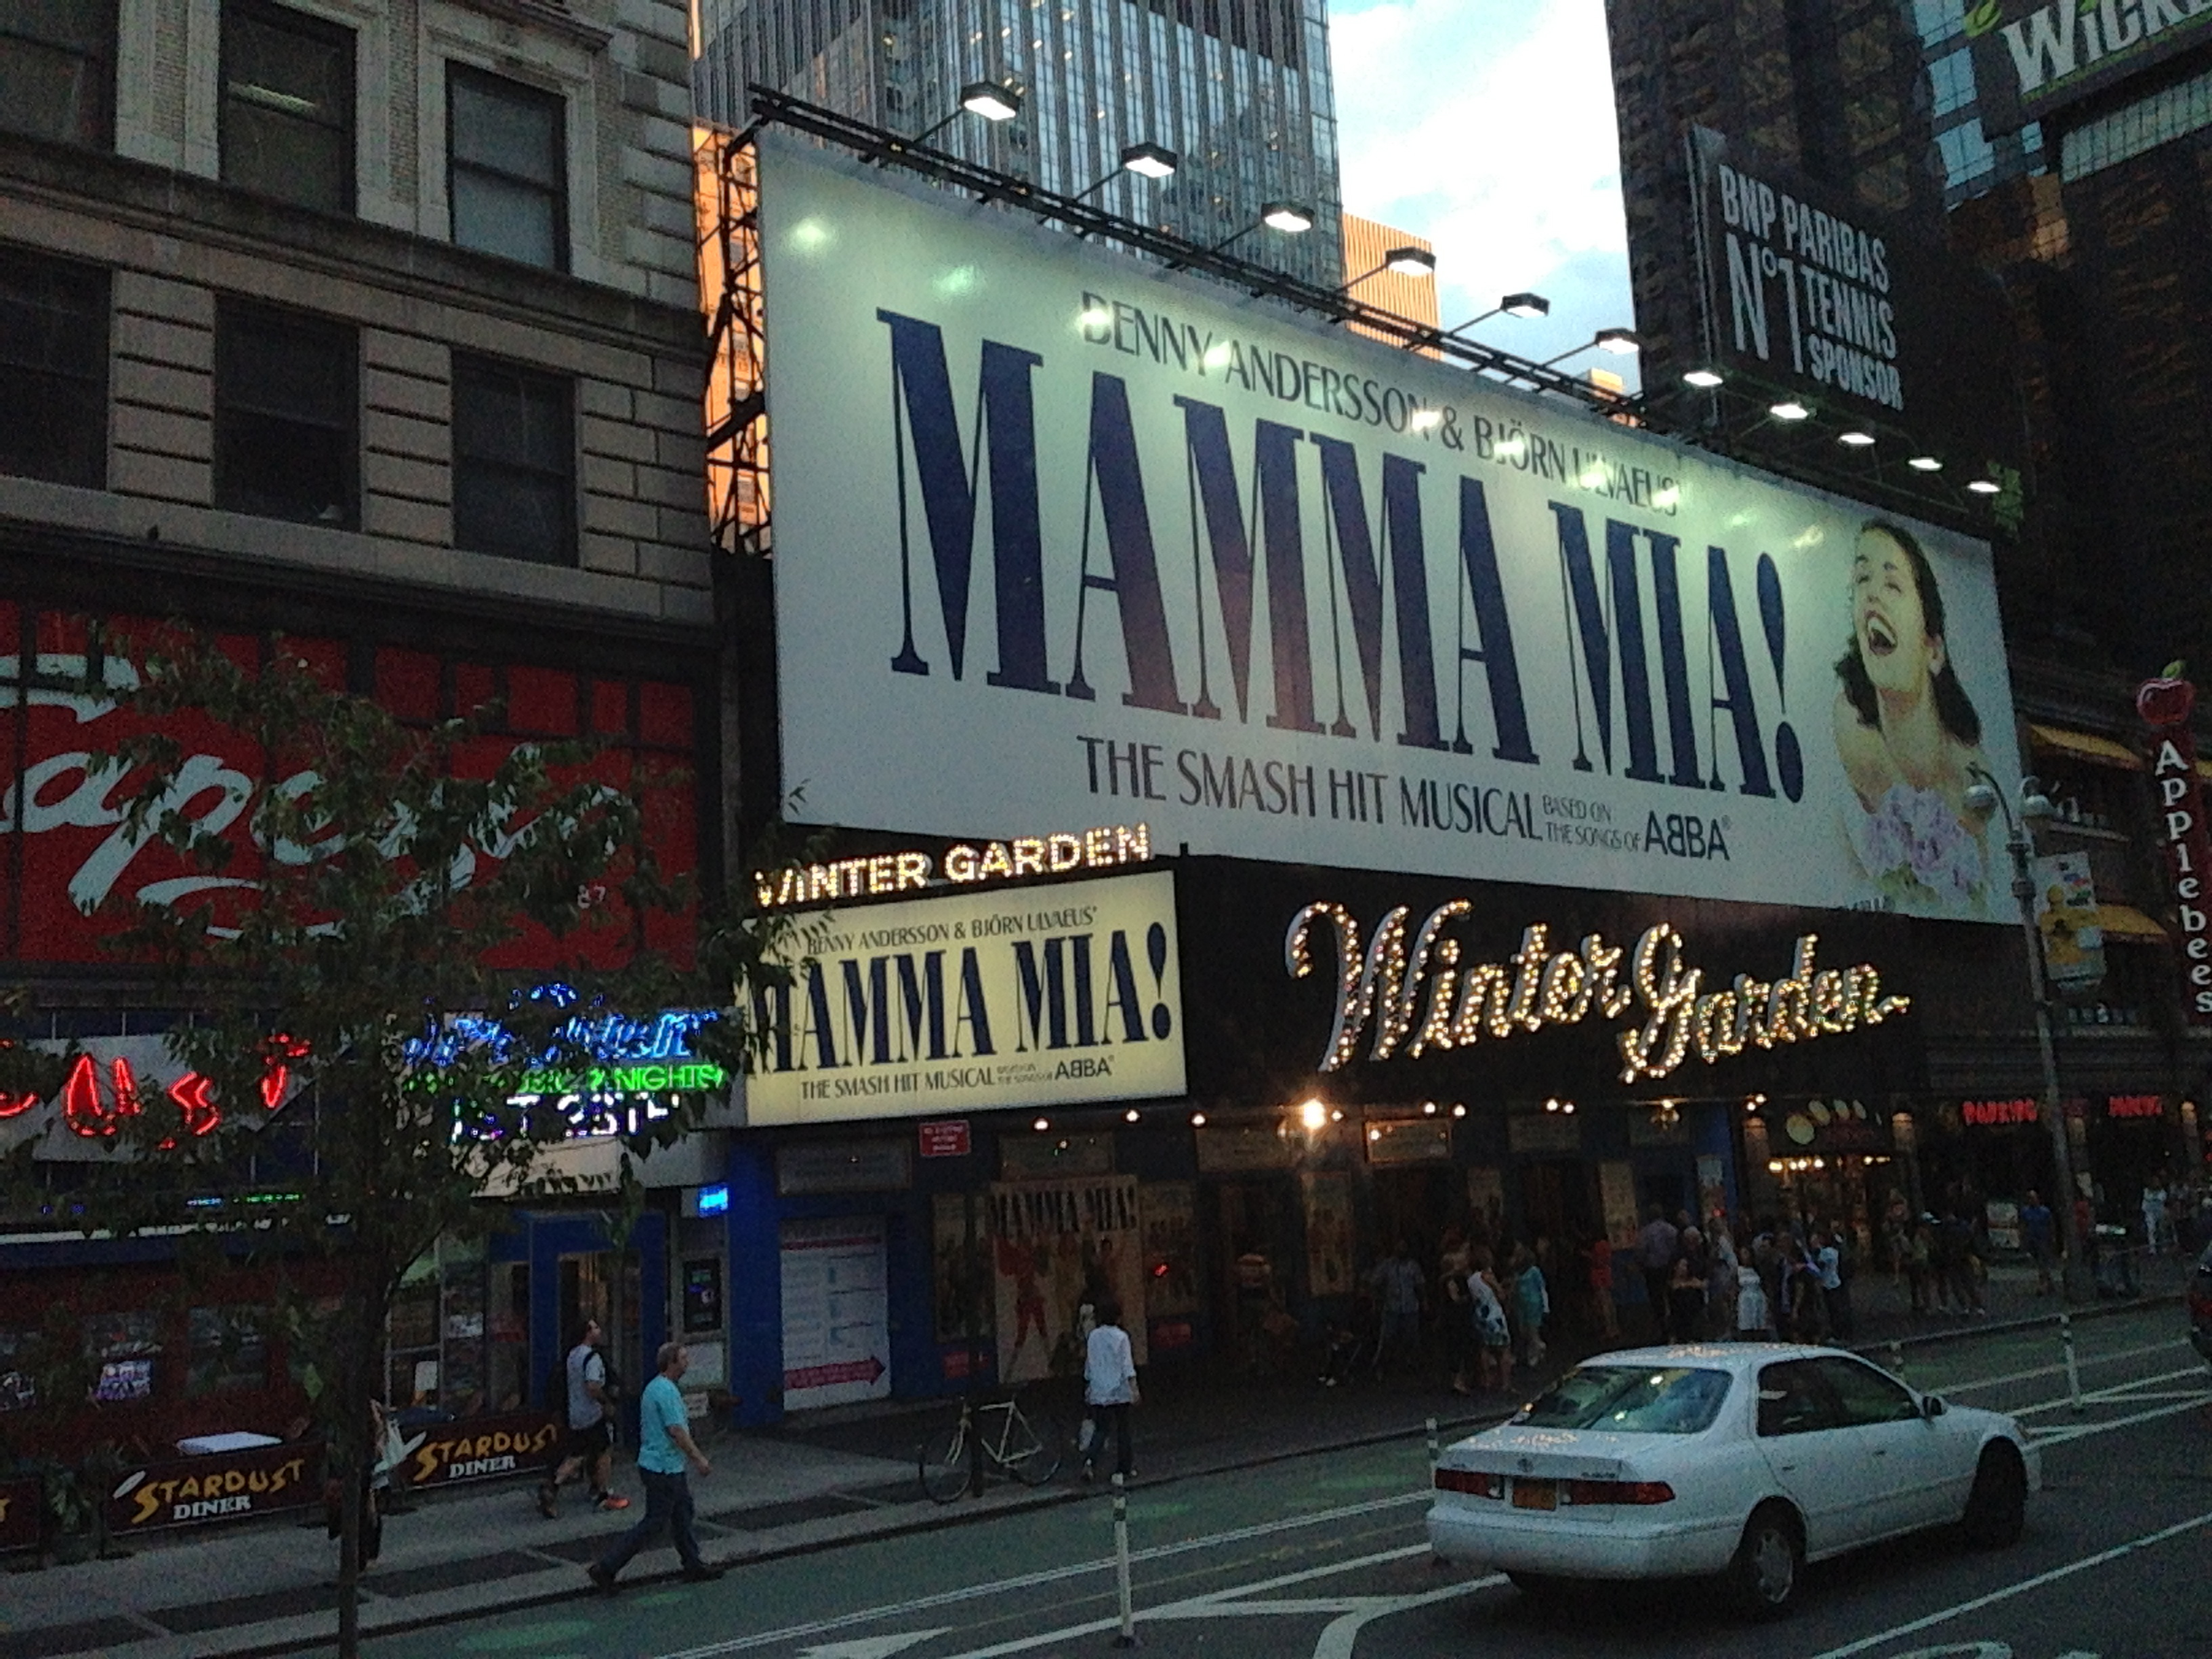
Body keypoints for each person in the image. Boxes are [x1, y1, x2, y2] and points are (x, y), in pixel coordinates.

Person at [1832, 520, 1994, 914]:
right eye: (1862, 579)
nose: (1872, 594)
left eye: (1892, 585)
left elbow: (1990, 904)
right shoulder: (1847, 727)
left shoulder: (1974, 782)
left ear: (1933, 650)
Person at [588, 1343, 722, 1591]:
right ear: (671, 1362)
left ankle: (693, 1564)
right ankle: (606, 1567)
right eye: (683, 1358)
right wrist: (699, 1459)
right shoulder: (667, 1392)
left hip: (663, 1465)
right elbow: (676, 1431)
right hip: (663, 1467)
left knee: (682, 1513)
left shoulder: (655, 1387)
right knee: (655, 1522)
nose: (687, 1362)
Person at [541, 1318, 629, 1517]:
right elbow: (593, 1386)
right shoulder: (592, 1357)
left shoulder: (572, 1355)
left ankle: (552, 1486)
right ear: (587, 1333)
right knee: (604, 1450)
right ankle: (603, 1496)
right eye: (595, 1328)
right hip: (592, 1414)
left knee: (578, 1454)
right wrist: (606, 1402)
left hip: (576, 1414)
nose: (599, 1330)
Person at [1080, 1297, 1139, 1481]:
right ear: (1118, 1317)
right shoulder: (1121, 1337)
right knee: (1123, 1429)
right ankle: (1123, 1468)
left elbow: (1090, 1363)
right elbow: (1127, 1366)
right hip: (1119, 1389)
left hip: (1099, 1389)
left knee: (1101, 1429)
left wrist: (1089, 1385)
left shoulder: (1093, 1337)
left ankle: (1090, 1461)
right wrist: (1134, 1388)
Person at [1369, 1239, 1425, 1377]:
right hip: (1392, 1307)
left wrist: (1424, 1301)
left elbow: (1420, 1284)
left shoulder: (1413, 1266)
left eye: (1404, 1247)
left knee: (1412, 1338)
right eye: (1399, 1247)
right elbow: (1374, 1281)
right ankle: (1380, 1366)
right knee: (1387, 1338)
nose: (1402, 1250)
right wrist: (1378, 1299)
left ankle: (1412, 1364)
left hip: (1410, 1307)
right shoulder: (1387, 1265)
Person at [1466, 1248, 1512, 1394]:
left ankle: (1487, 1380)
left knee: (1484, 1348)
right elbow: (1500, 1294)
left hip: (1480, 1315)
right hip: (1494, 1315)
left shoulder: (1471, 1279)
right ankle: (1505, 1383)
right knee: (1504, 1349)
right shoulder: (1487, 1276)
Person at [1636, 1206, 1679, 1340]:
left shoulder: (1646, 1232)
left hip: (1653, 1269)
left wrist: (1641, 1264)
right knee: (1672, 1294)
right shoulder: (1671, 1229)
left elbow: (1641, 1250)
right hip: (1669, 1267)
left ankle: (1662, 1326)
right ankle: (1675, 1322)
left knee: (1656, 1296)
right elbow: (1677, 1246)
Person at [1511, 1246, 1549, 1370]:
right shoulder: (1517, 1273)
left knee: (1533, 1330)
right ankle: (1538, 1347)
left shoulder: (1534, 1271)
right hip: (1521, 1305)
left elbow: (1542, 1288)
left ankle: (1535, 1353)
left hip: (1534, 1304)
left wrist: (1546, 1307)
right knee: (1524, 1331)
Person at [1582, 1231, 1617, 1340]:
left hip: (1599, 1275)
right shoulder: (1607, 1244)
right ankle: (1614, 1327)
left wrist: (1588, 1255)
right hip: (1607, 1273)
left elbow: (1598, 1261)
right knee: (1610, 1302)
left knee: (1604, 1303)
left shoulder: (1598, 1246)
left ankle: (1609, 1329)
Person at [2020, 1189, 2056, 1294]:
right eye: (2029, 1198)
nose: (2031, 1200)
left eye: (2033, 1198)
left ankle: (2042, 1285)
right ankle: (2049, 1283)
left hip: (2043, 1239)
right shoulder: (2025, 1211)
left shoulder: (2045, 1211)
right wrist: (2022, 1238)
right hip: (2031, 1240)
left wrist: (2053, 1238)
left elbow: (2051, 1225)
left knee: (2042, 1262)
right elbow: (2023, 1225)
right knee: (2039, 1263)